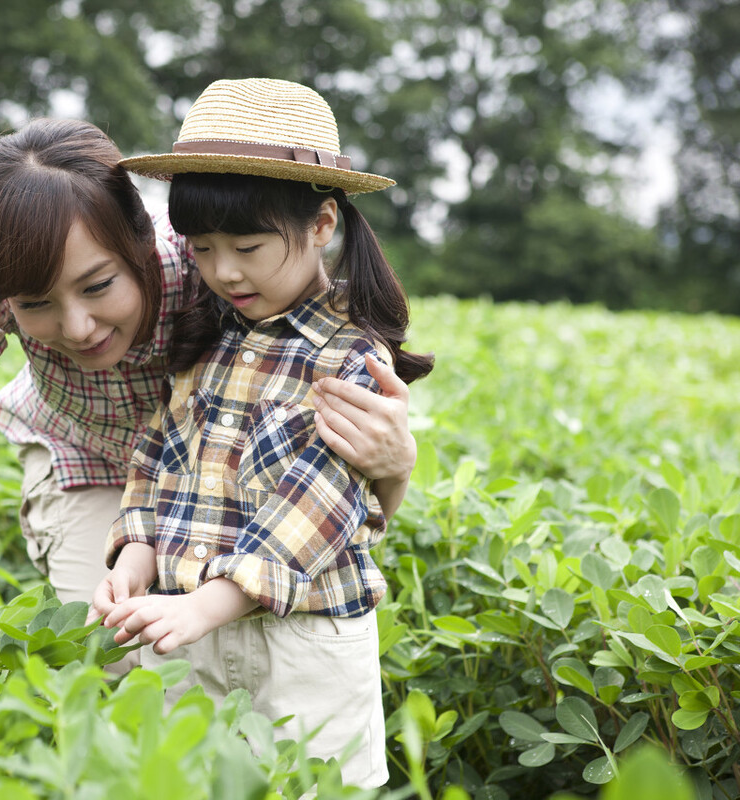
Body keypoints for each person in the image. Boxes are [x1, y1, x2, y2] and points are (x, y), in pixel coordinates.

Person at [0, 118, 419, 659]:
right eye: (38, 304)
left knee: (241, 630)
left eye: (99, 286)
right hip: (82, 459)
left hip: (208, 468)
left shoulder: (208, 261)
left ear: (144, 243)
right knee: (112, 651)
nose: (79, 326)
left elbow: (328, 491)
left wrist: (395, 465)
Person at [94, 78, 434, 786]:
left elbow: (317, 505)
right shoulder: (207, 340)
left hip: (303, 645)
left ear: (322, 225)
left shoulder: (348, 358)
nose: (223, 271)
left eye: (248, 246)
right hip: (192, 632)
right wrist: (134, 553)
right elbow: (157, 455)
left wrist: (204, 606)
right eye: (204, 247)